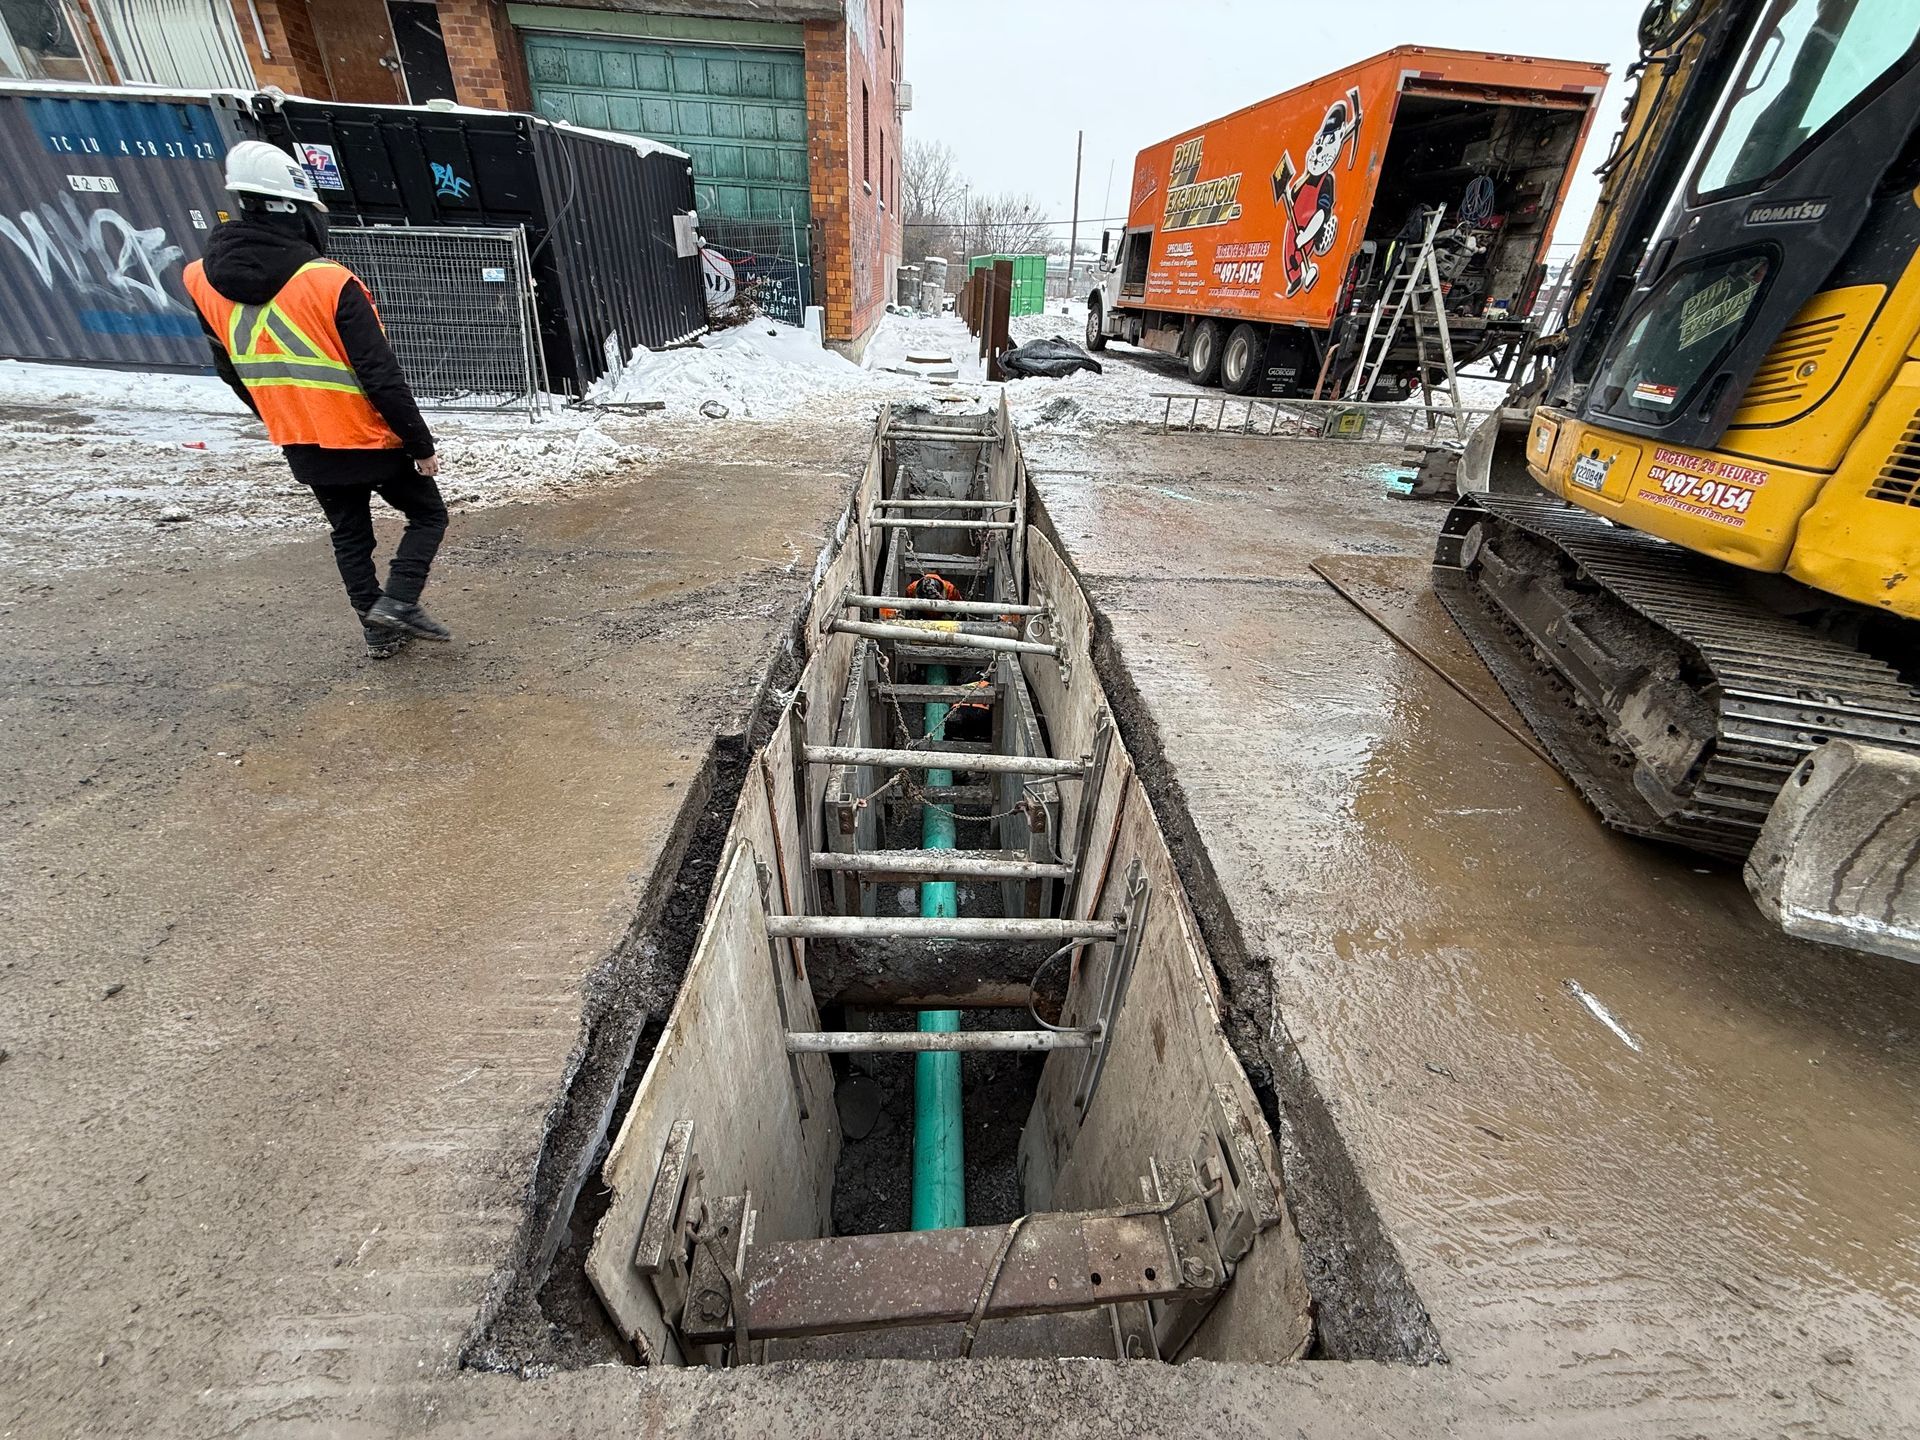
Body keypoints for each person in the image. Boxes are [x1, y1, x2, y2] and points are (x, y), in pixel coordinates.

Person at [184, 141, 451, 658]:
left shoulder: (201, 281)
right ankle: (397, 602)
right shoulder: (328, 282)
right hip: (366, 436)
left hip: (302, 441)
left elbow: (230, 370)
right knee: (428, 516)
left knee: (350, 536)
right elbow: (381, 375)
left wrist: (282, 416)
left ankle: (376, 632)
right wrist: (420, 444)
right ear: (294, 209)